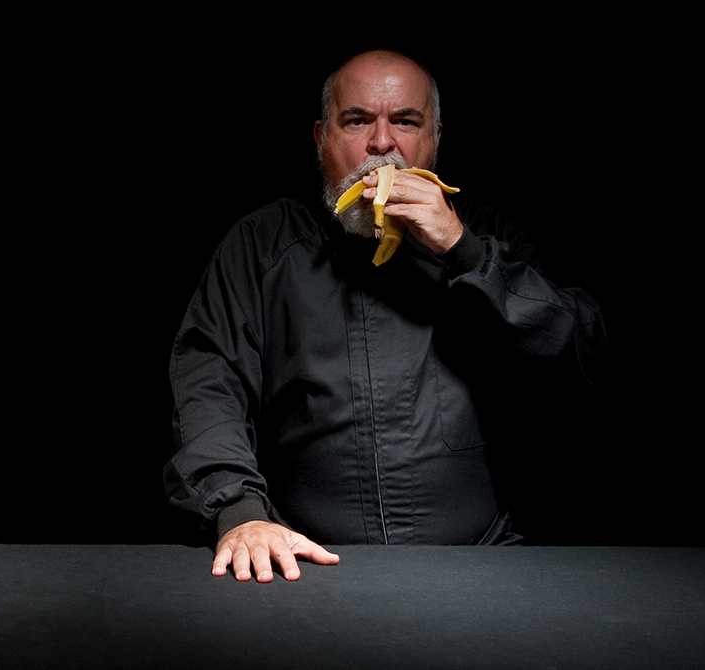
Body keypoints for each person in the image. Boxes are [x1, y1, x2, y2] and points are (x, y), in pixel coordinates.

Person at [164, 50, 605, 582]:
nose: (380, 144)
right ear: (321, 137)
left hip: (483, 562)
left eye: (405, 121)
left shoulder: (490, 235)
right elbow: (207, 382)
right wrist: (239, 513)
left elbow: (578, 354)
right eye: (356, 120)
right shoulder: (260, 246)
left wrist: (465, 252)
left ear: (435, 138)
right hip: (300, 563)